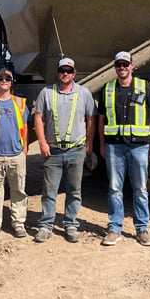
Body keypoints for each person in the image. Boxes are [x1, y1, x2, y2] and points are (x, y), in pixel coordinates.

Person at [98, 51, 150, 247]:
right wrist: (101, 145)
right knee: (115, 189)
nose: (122, 68)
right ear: (115, 67)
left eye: (126, 64)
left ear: (132, 66)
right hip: (114, 147)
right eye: (119, 65)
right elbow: (101, 119)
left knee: (141, 189)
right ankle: (114, 229)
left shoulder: (144, 87)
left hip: (139, 147)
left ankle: (142, 228)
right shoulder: (107, 89)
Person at [33, 58, 96, 243]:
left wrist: (89, 143)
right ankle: (45, 226)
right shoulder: (46, 92)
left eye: (69, 71)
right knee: (49, 191)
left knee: (74, 190)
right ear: (57, 72)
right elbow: (38, 117)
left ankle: (70, 224)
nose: (65, 74)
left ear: (74, 73)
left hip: (76, 150)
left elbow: (91, 118)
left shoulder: (83, 93)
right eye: (62, 70)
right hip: (52, 151)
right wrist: (43, 143)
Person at [0, 68, 29, 239]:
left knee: (19, 190)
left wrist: (24, 148)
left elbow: (24, 127)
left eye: (7, 79)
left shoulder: (19, 103)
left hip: (16, 154)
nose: (4, 81)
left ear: (12, 83)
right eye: (0, 78)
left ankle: (18, 223)